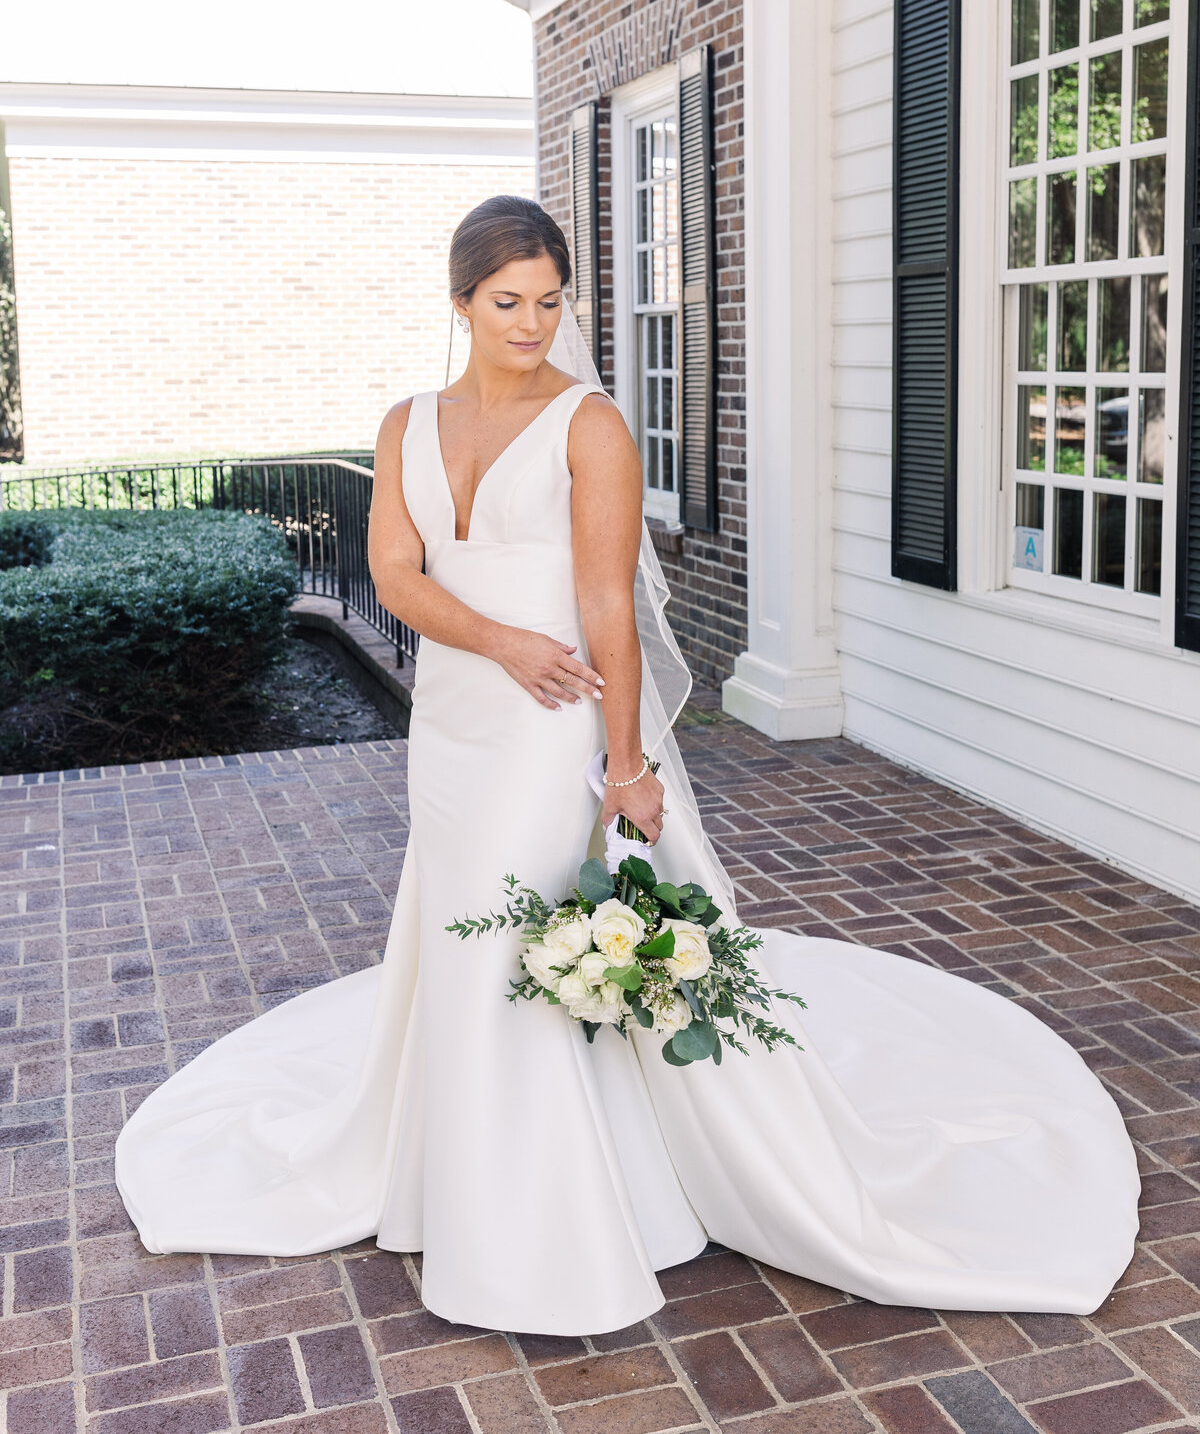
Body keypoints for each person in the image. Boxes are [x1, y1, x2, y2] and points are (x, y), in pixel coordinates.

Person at [115, 196, 1140, 1335]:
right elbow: (398, 577)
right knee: (461, 922)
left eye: (550, 301)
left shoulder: (590, 424)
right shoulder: (405, 421)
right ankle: (451, 1173)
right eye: (508, 302)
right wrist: (504, 643)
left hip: (560, 722)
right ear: (461, 302)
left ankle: (546, 1203)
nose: (532, 322)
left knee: (533, 924)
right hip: (459, 717)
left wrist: (627, 765)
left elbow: (607, 601)